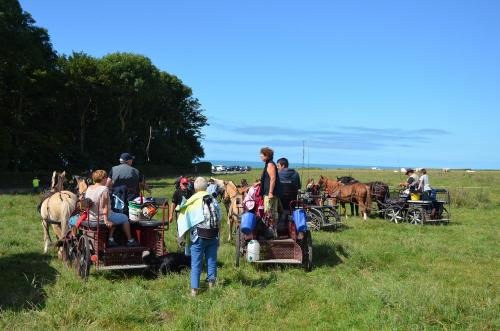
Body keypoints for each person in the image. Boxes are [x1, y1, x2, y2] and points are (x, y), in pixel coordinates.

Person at [176, 177, 221, 296]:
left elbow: (185, 220)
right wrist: (218, 237)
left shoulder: (192, 201)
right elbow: (219, 219)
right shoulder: (213, 200)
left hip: (199, 236)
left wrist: (181, 237)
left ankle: (194, 291)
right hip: (213, 234)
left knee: (196, 263)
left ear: (195, 188)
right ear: (206, 187)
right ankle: (212, 287)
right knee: (212, 261)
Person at [85, 170, 138, 247]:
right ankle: (130, 240)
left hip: (91, 216)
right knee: (124, 217)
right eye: (106, 177)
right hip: (102, 217)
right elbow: (105, 206)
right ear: (103, 178)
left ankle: (111, 238)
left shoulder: (89, 188)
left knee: (115, 217)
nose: (107, 179)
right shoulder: (104, 189)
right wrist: (106, 220)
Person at [276, 157, 301, 236]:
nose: (277, 168)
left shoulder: (277, 175)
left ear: (282, 165)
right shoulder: (296, 174)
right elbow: (299, 186)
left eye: (278, 166)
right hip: (292, 203)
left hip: (280, 204)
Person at [259, 147, 281, 222]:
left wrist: (270, 193)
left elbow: (273, 178)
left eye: (262, 154)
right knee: (271, 213)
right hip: (270, 192)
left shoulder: (270, 164)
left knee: (269, 212)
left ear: (267, 155)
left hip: (270, 193)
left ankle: (270, 229)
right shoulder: (269, 164)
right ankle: (272, 229)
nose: (260, 156)